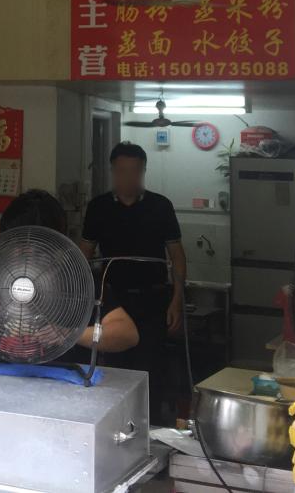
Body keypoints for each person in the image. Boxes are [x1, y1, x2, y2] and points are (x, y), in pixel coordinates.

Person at [0, 189, 139, 356]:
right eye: (16, 242)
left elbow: (127, 333)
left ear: (55, 241)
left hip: (64, 382)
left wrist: (70, 334)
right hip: (5, 378)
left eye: (34, 243)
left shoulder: (80, 280)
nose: (24, 250)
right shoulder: (3, 278)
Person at [79, 141, 187, 424]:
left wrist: (177, 300)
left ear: (143, 171)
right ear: (113, 172)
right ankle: (115, 426)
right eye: (122, 171)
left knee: (151, 369)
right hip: (113, 302)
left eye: (135, 171)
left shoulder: (160, 206)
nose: (128, 177)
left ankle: (151, 429)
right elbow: (83, 255)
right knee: (114, 370)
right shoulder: (99, 207)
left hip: (153, 301)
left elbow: (177, 256)